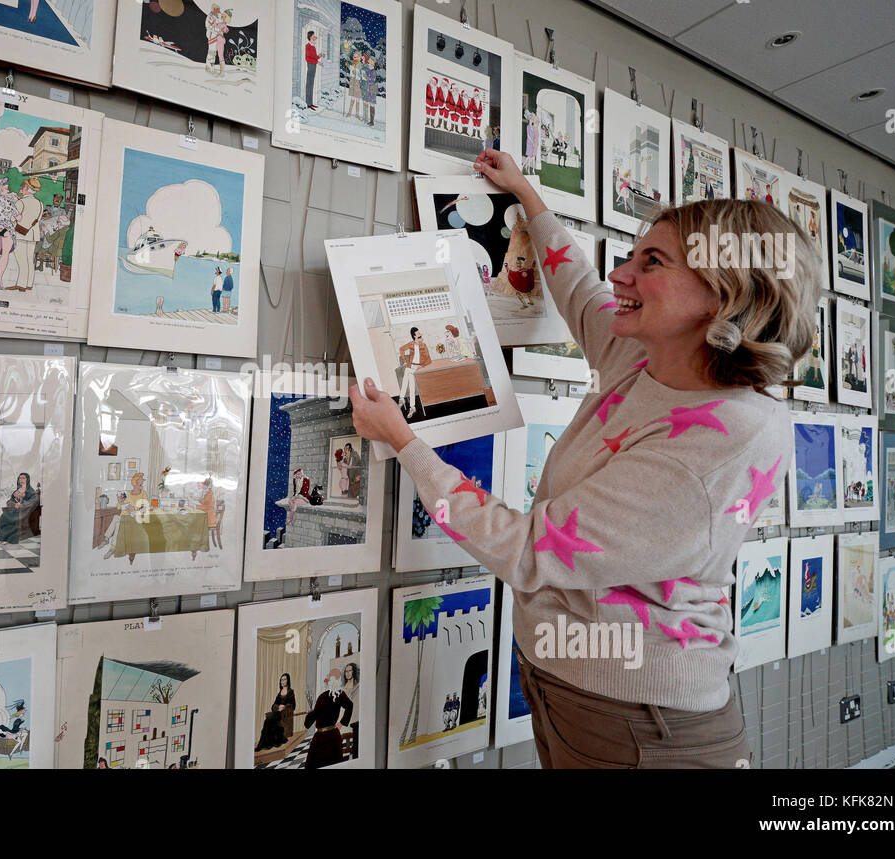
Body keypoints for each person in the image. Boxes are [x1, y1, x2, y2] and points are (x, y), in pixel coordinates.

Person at [348, 147, 817, 768]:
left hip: (641, 721)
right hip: (575, 687)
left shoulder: (722, 436)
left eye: (652, 261)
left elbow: (529, 550)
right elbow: (583, 292)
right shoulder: (650, 360)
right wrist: (528, 197)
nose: (623, 272)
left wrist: (406, 442)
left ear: (722, 293)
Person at [304, 669, 352, 769]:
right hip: (333, 735)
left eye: (328, 678)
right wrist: (341, 723)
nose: (325, 680)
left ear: (333, 681)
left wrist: (310, 714)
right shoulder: (338, 694)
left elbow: (307, 723)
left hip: (321, 738)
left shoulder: (323, 696)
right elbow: (350, 705)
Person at [9, 178, 43, 291]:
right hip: (33, 235)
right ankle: (29, 284)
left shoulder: (21, 202)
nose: (21, 189)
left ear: (27, 189)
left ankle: (21, 284)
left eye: (23, 187)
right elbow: (37, 219)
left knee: (21, 260)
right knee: (29, 260)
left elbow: (12, 218)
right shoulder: (40, 203)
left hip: (20, 233)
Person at [254, 672, 297, 751]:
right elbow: (273, 706)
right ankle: (263, 744)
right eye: (281, 680)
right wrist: (278, 707)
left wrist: (284, 706)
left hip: (285, 714)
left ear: (288, 680)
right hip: (278, 713)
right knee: (267, 721)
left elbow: (293, 705)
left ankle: (264, 744)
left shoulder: (291, 692)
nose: (282, 682)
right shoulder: (280, 692)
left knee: (268, 721)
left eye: (284, 680)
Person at [0, 472, 38, 543]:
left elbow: (32, 501)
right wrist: (14, 504)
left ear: (27, 479)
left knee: (13, 518)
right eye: (20, 478)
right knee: (4, 517)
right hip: (15, 509)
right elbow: (9, 501)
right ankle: (3, 538)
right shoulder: (16, 491)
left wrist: (22, 504)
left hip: (25, 511)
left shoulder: (31, 491)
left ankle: (11, 539)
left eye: (23, 478)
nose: (21, 479)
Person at [398, 327, 431, 419]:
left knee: (407, 372)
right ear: (414, 336)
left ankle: (401, 398)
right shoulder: (411, 344)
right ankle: (412, 407)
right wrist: (404, 361)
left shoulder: (423, 345)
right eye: (418, 333)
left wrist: (422, 365)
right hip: (411, 366)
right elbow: (401, 349)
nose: (420, 334)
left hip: (417, 367)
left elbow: (429, 360)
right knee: (411, 383)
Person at [342, 662, 360, 758]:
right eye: (346, 671)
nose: (348, 673)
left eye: (350, 671)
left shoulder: (358, 686)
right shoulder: (342, 689)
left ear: (353, 672)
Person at [303, 31, 323, 110]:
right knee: (309, 84)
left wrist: (319, 56)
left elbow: (314, 57)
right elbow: (307, 58)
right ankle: (308, 103)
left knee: (311, 84)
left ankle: (310, 103)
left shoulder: (313, 47)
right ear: (310, 37)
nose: (315, 38)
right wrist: (317, 62)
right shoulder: (308, 46)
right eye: (314, 36)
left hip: (313, 66)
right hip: (311, 66)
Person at [362, 54, 378, 128]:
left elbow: (372, 80)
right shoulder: (369, 70)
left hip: (373, 88)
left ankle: (372, 121)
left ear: (372, 63)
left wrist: (367, 77)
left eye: (369, 62)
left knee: (372, 104)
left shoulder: (373, 71)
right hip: (369, 87)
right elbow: (366, 75)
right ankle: (371, 121)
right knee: (370, 104)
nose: (368, 63)